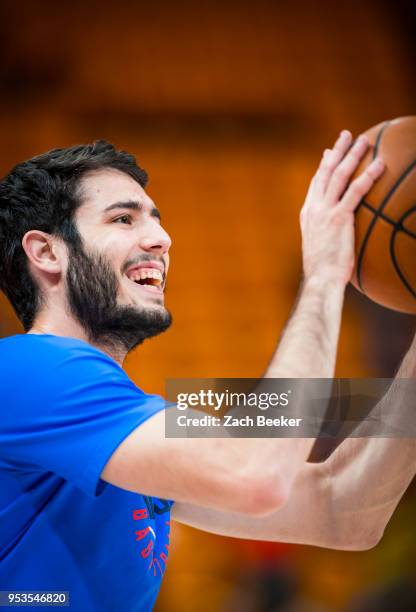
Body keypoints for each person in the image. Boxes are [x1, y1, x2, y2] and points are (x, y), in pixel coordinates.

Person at [0, 133, 414, 611]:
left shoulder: (117, 415)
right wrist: (323, 275)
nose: (161, 238)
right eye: (123, 218)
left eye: (157, 220)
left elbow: (344, 511)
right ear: (47, 253)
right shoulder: (31, 370)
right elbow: (257, 474)